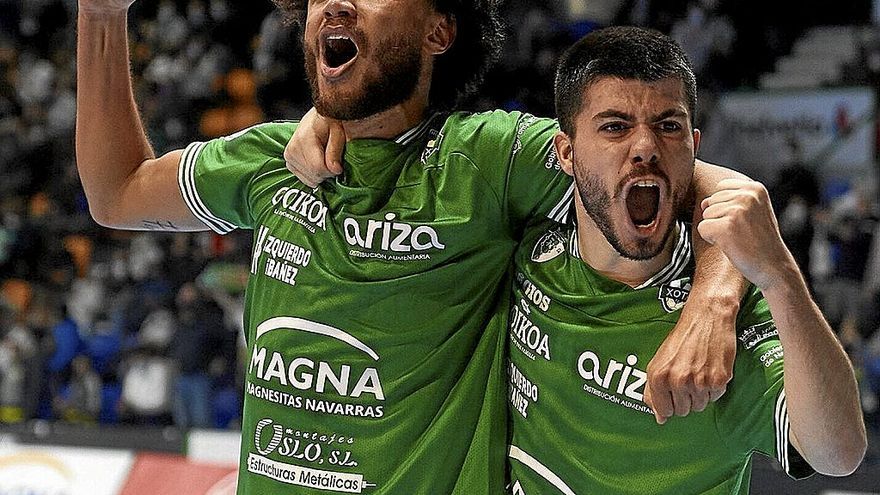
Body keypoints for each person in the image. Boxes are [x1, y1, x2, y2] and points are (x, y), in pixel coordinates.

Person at [76, 0, 749, 493]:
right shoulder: (270, 161)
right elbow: (117, 192)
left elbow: (691, 178)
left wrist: (715, 300)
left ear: (438, 29)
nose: (331, 5)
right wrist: (101, 16)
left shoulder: (487, 159)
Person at [505, 27, 866, 495]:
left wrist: (779, 275)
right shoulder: (524, 239)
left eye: (668, 125)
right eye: (615, 126)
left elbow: (838, 453)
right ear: (567, 153)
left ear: (694, 144)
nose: (646, 147)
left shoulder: (733, 319)